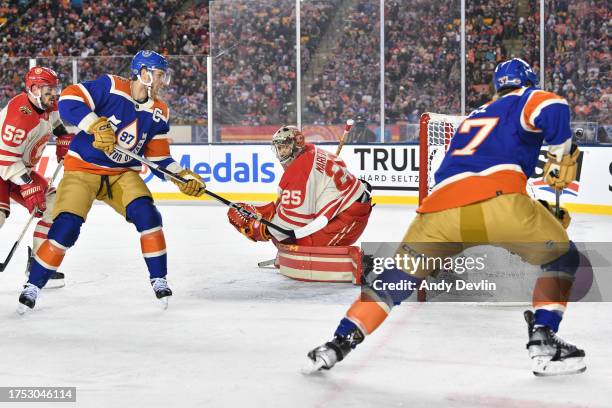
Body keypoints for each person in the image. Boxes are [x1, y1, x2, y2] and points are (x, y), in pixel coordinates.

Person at [306, 58, 586, 376]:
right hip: (499, 204)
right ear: (529, 81)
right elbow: (554, 106)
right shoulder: (526, 97)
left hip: (438, 212)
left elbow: (471, 171)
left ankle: (337, 343)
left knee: (392, 283)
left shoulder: (474, 117)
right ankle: (544, 338)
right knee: (563, 258)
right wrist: (560, 154)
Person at [17, 50, 205, 313]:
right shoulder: (112, 86)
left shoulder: (160, 111)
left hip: (122, 173)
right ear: (143, 73)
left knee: (148, 216)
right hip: (82, 168)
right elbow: (69, 99)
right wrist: (95, 125)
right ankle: (33, 285)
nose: (163, 81)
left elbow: (159, 157)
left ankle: (159, 278)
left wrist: (180, 176)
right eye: (160, 75)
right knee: (66, 227)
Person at [227, 125, 372, 247]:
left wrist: (260, 229)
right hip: (351, 208)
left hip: (348, 219)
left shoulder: (299, 170)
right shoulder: (312, 151)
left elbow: (292, 226)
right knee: (284, 230)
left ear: (298, 144)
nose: (281, 152)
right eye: (279, 148)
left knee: (294, 241)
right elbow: (340, 164)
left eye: (285, 147)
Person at [0, 67, 73, 288]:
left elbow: (56, 123)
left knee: (55, 205)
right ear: (33, 89)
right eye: (49, 89)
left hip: (21, 169)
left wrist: (63, 137)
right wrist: (29, 187)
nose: (54, 94)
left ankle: (38, 266)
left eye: (55, 88)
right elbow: (5, 160)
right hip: (3, 168)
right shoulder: (19, 116)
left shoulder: (49, 105)